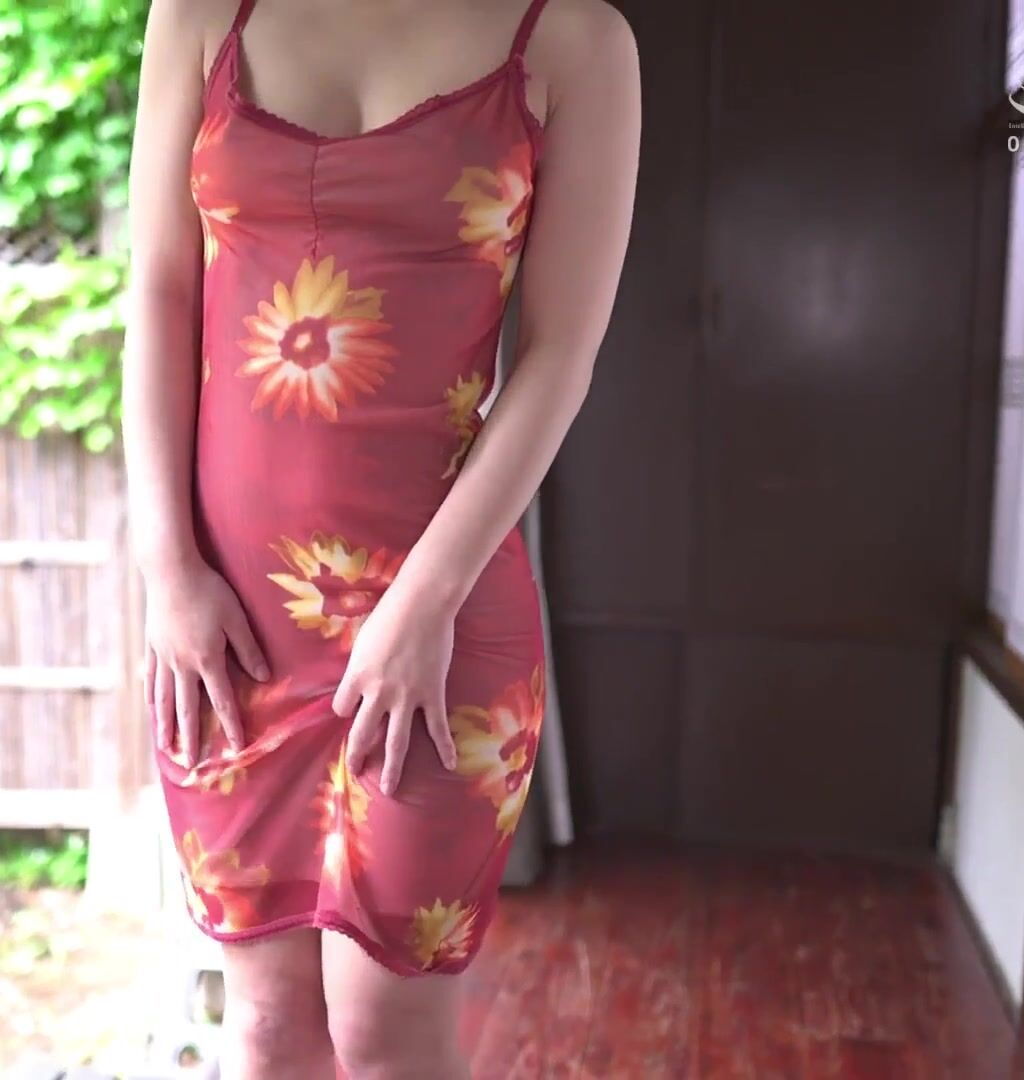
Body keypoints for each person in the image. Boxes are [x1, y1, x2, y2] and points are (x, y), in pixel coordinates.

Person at [122, 0, 640, 1074]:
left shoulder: (575, 41)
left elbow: (559, 354)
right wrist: (167, 570)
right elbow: (161, 291)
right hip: (230, 624)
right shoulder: (201, 14)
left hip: (438, 628)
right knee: (266, 1026)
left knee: (387, 1037)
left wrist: (424, 602)